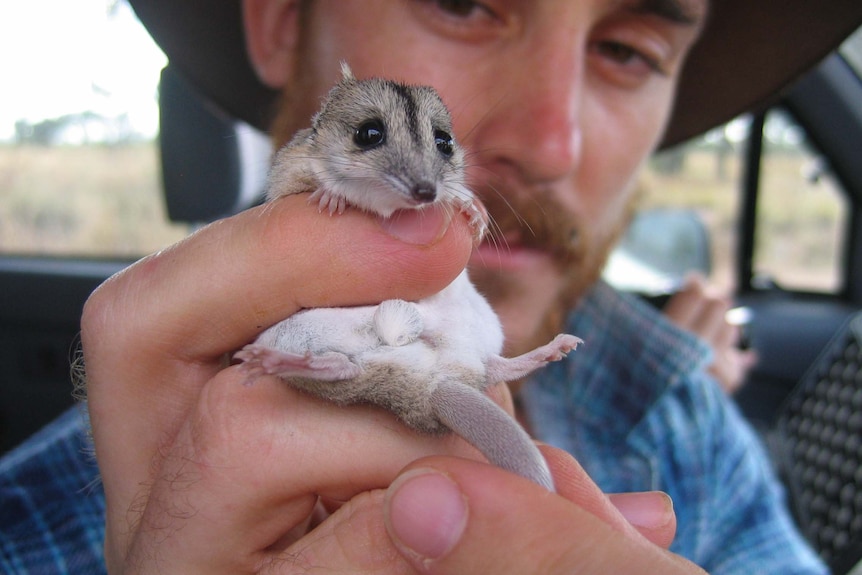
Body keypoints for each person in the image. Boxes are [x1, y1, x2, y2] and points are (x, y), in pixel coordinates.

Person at [3, 1, 862, 573]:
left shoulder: (687, 417)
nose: (550, 143)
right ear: (280, 18)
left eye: (628, 49)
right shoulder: (36, 520)